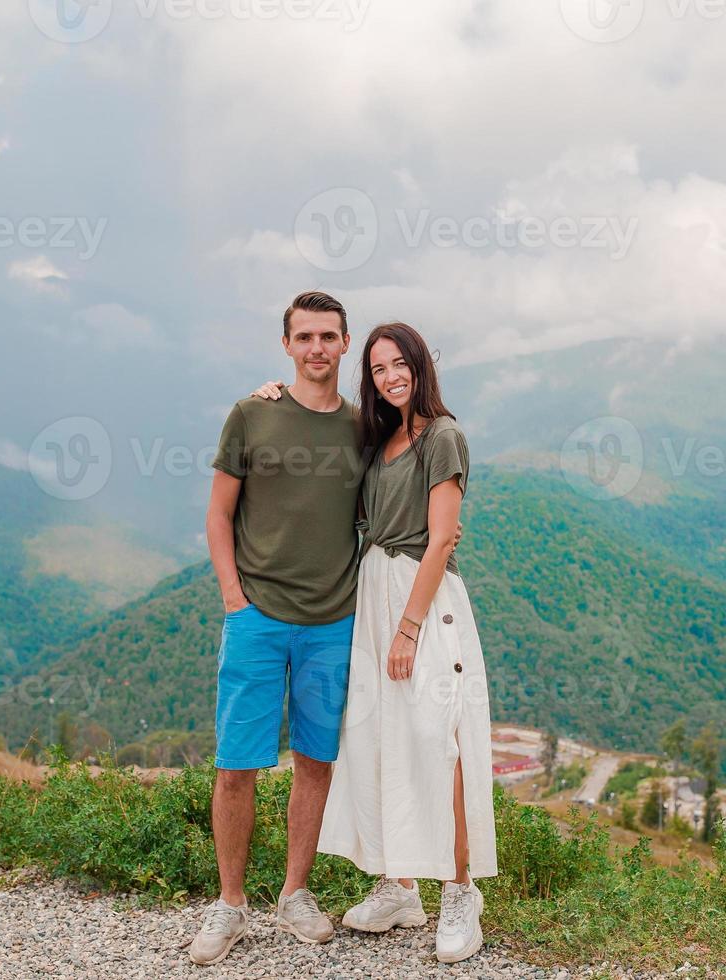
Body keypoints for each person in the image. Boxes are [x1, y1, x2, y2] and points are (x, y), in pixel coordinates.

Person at [190, 293, 463, 966]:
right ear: (287, 345)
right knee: (235, 767)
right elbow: (218, 515)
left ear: (344, 347)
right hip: (255, 617)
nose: (316, 348)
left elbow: (415, 475)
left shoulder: (360, 430)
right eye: (304, 336)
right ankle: (229, 906)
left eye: (328, 337)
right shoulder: (251, 414)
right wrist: (233, 598)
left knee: (317, 763)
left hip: (335, 622)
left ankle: (295, 894)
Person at [253, 320, 497, 964]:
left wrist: (408, 628)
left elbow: (442, 538)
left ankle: (461, 892)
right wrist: (270, 395)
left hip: (421, 597)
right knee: (378, 739)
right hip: (373, 588)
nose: (390, 378)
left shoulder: (444, 436)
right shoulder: (380, 434)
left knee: (436, 740)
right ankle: (399, 884)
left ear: (421, 367)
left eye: (399, 366)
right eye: (379, 368)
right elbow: (316, 419)